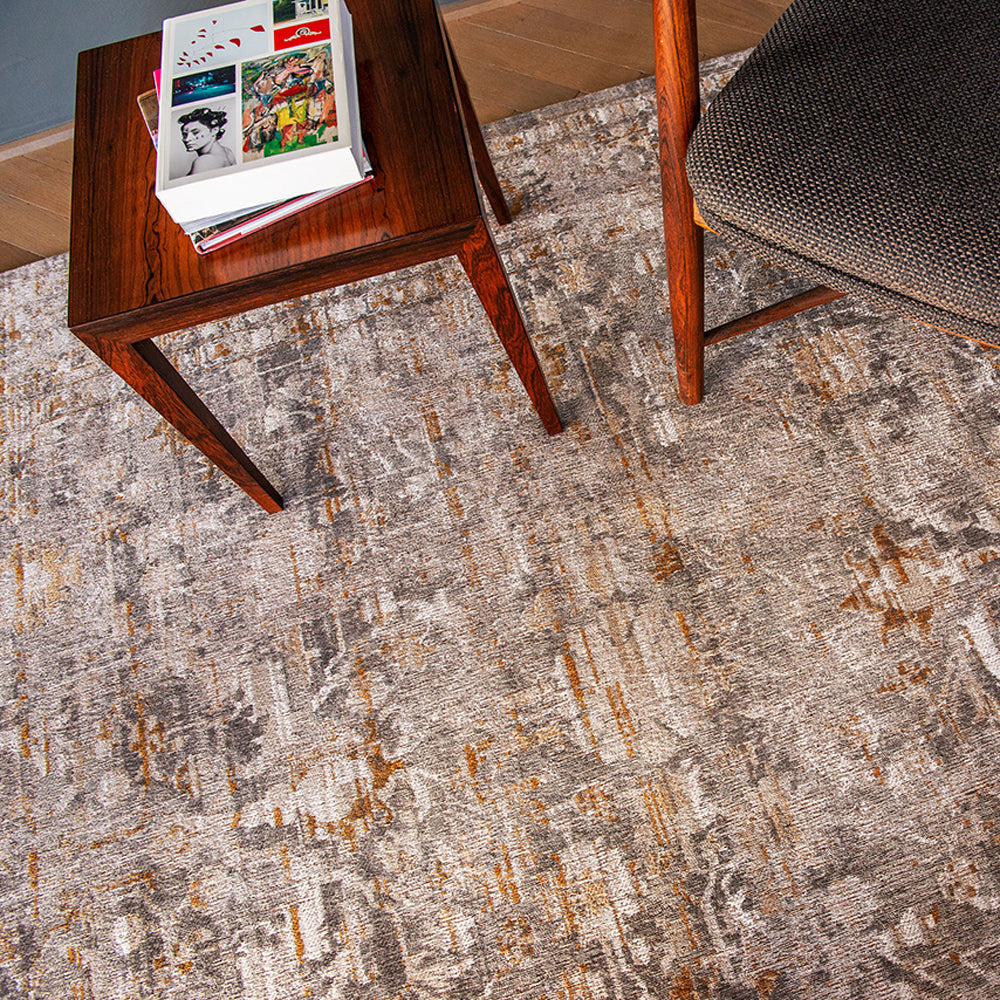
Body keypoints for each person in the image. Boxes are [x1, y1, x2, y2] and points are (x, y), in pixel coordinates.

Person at [178, 107, 237, 175]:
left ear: (214, 130)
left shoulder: (204, 161)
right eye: (185, 135)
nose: (187, 139)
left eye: (195, 132)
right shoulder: (227, 151)